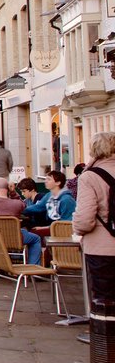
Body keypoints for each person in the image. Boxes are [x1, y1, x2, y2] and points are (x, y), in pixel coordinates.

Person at [73, 131, 115, 308]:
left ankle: (106, 335)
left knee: (105, 298)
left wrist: (77, 229)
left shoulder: (90, 176)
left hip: (103, 247)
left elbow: (85, 219)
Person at [0, 177, 43, 265]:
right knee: (36, 239)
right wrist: (13, 192)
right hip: (13, 239)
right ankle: (33, 270)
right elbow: (24, 206)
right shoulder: (16, 204)